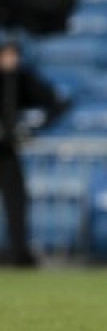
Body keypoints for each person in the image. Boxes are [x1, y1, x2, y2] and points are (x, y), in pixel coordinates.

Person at [0, 40, 67, 267]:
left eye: (14, 55)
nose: (11, 60)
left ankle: (19, 254)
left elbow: (56, 102)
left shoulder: (23, 79)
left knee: (16, 202)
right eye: (6, 55)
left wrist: (33, 127)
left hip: (7, 150)